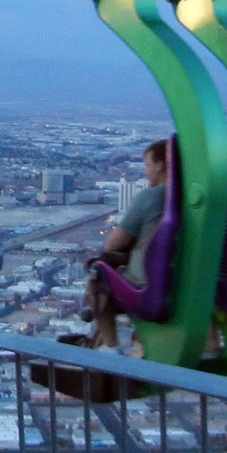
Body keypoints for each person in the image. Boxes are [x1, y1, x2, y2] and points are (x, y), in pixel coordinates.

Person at [72, 139, 168, 349]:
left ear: (161, 165)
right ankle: (97, 341)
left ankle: (110, 347)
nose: (146, 173)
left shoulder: (150, 197)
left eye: (148, 166)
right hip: (177, 277)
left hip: (146, 282)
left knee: (98, 276)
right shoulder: (188, 199)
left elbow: (114, 243)